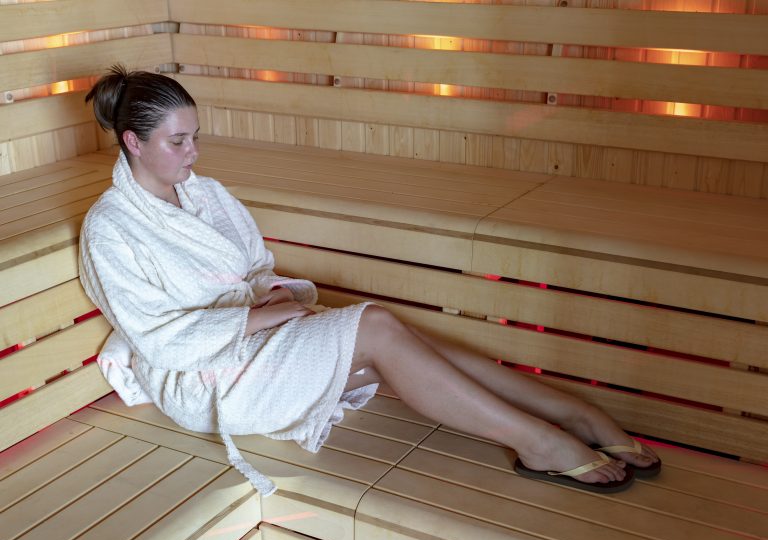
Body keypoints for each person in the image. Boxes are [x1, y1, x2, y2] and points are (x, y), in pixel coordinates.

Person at [80, 66, 660, 496]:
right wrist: (262, 315)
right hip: (204, 378)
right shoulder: (111, 228)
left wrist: (275, 294)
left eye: (196, 136)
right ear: (134, 142)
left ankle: (569, 413)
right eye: (178, 142)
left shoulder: (204, 193)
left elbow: (255, 266)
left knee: (400, 341)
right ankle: (542, 442)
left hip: (255, 343)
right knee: (378, 327)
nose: (194, 152)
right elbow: (160, 342)